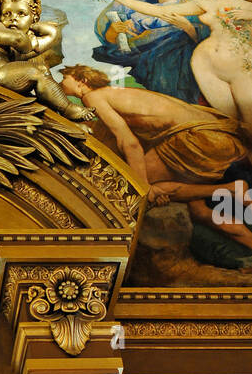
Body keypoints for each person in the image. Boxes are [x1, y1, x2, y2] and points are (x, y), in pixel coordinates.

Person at [60, 65, 252, 249]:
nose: (60, 82)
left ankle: (231, 190)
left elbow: (129, 142)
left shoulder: (93, 97)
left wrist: (143, 186)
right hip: (216, 136)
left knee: (135, 189)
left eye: (64, 78)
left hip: (199, 139)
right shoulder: (115, 94)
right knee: (199, 212)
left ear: (81, 80)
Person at [96, 0, 252, 126]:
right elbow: (157, 11)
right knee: (229, 119)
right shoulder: (203, 3)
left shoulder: (248, 6)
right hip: (204, 64)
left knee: (248, 116)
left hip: (239, 63)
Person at [92, 0, 207, 104]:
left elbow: (203, 39)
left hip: (182, 63)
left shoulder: (191, 7)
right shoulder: (139, 13)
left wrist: (187, 27)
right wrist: (115, 30)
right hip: (150, 65)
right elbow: (122, 45)